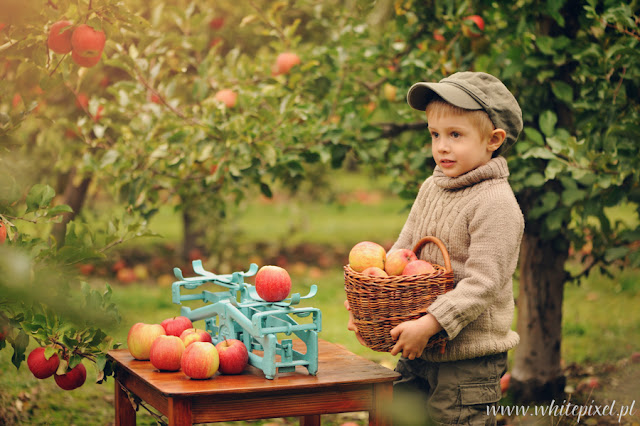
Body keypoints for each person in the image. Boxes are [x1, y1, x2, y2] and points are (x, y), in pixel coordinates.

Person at [346, 71, 525, 425]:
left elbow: (483, 284)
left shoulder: (496, 205)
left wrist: (431, 323)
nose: (441, 146)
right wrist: (371, 304)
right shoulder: (433, 186)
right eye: (435, 134)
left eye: (455, 135)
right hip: (418, 344)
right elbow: (402, 249)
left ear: (493, 139)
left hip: (467, 362)